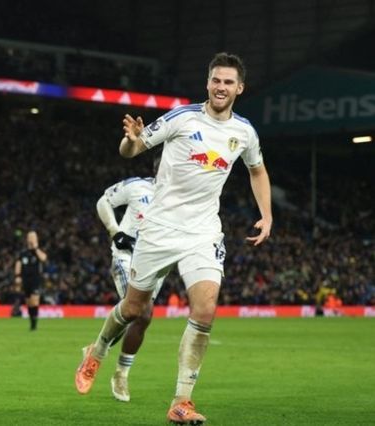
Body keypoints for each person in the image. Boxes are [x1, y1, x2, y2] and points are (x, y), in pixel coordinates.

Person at [75, 52, 272, 425]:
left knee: (205, 310)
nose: (221, 87)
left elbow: (257, 170)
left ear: (240, 88)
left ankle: (181, 402)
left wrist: (267, 214)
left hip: (203, 231)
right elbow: (132, 149)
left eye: (228, 82)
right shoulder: (181, 117)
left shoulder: (244, 132)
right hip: (160, 229)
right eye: (216, 80)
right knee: (134, 310)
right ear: (208, 83)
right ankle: (96, 350)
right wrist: (131, 140)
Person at [95, 176, 155, 402]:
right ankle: (106, 359)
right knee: (142, 312)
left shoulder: (180, 195)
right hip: (126, 255)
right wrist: (115, 231)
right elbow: (103, 201)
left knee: (138, 318)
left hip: (155, 262)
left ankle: (116, 369)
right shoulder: (137, 186)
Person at [14, 230, 47, 331]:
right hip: (25, 280)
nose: (32, 239)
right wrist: (17, 276)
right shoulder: (23, 253)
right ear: (27, 239)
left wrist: (36, 248)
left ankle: (34, 325)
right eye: (30, 237)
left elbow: (44, 258)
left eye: (34, 237)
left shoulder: (38, 252)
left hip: (35, 279)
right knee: (29, 302)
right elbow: (18, 264)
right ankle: (32, 322)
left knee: (35, 300)